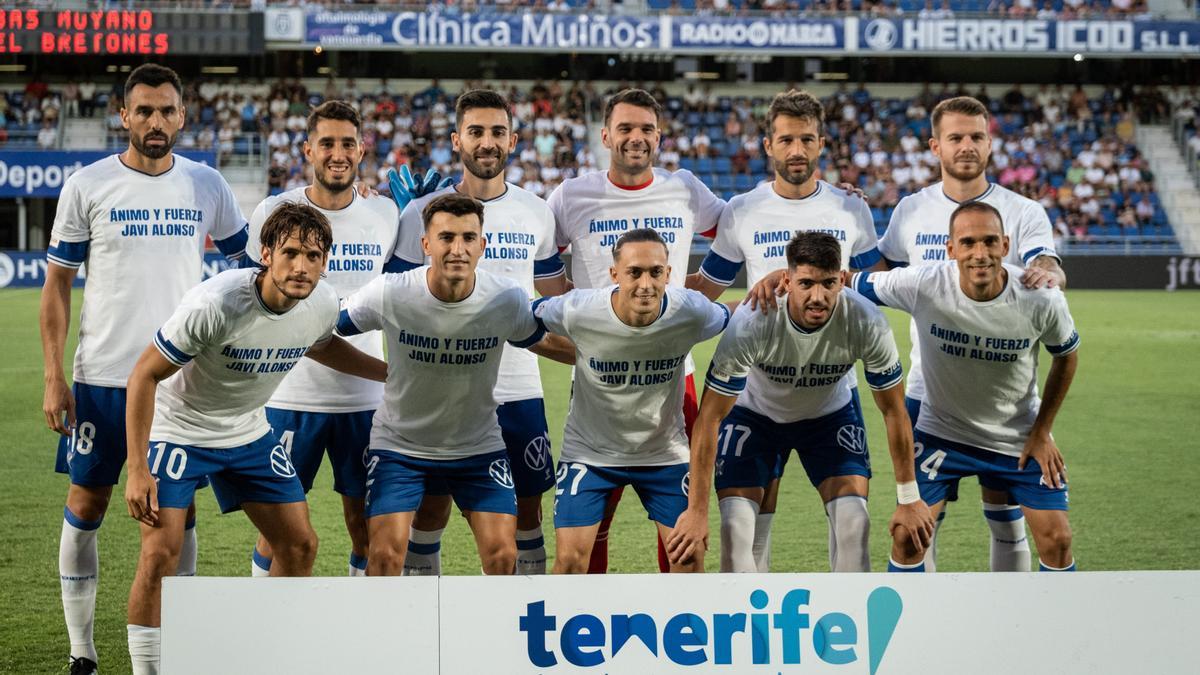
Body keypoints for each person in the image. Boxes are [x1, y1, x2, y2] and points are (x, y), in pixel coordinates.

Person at [39, 63, 249, 675]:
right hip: (102, 377)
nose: (156, 122)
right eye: (144, 111)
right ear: (124, 116)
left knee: (176, 514)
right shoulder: (88, 184)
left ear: (183, 116)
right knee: (88, 501)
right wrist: (54, 374)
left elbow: (245, 269)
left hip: (180, 380)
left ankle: (168, 648)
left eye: (167, 111)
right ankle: (82, 651)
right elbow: (56, 285)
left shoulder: (207, 185)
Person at [123, 203, 387, 675]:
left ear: (326, 260)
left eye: (313, 255)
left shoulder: (322, 303)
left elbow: (321, 344)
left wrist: (391, 375)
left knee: (300, 544)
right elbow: (143, 376)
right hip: (180, 431)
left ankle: (266, 656)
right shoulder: (216, 304)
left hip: (249, 430)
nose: (301, 266)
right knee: (161, 552)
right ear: (265, 254)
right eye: (290, 253)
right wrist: (138, 467)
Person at [691, 89, 885, 572]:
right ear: (768, 145)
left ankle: (848, 637)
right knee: (748, 535)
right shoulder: (742, 209)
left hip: (830, 390)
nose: (796, 151)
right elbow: (707, 291)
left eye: (806, 140)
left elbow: (874, 285)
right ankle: (754, 639)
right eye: (785, 140)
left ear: (821, 143)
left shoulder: (850, 209)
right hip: (758, 391)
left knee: (852, 527)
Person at [878, 95, 1067, 572]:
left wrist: (1048, 268)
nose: (967, 146)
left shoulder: (1021, 211)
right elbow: (881, 272)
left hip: (1007, 398)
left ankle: (1011, 626)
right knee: (921, 524)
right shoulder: (911, 210)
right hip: (930, 390)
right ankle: (925, 625)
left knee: (1006, 519)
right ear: (935, 146)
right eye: (956, 137)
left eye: (976, 137)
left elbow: (1045, 262)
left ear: (990, 143)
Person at [337, 194, 571, 577]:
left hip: (477, 448)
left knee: (502, 556)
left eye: (468, 238)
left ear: (483, 244)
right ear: (425, 244)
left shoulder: (505, 299)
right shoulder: (391, 292)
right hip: (400, 447)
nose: (457, 249)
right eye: (446, 238)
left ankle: (491, 635)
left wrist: (605, 356)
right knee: (384, 556)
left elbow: (544, 342)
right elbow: (331, 326)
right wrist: (382, 371)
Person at [389, 89, 569, 576]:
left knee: (527, 514)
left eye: (496, 132)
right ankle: (428, 627)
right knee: (430, 511)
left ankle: (524, 628)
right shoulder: (419, 214)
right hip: (441, 391)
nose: (486, 142)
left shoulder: (537, 211)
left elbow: (556, 300)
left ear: (513, 140)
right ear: (456, 140)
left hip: (519, 388)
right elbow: (395, 298)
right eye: (475, 132)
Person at [678, 232, 933, 573]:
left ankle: (849, 620)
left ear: (842, 280)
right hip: (756, 416)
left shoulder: (866, 320)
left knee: (855, 524)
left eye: (828, 283)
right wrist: (697, 512)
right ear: (787, 280)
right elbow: (709, 418)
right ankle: (749, 625)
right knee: (737, 530)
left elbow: (893, 409)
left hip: (828, 418)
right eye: (806, 283)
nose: (818, 296)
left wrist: (908, 497)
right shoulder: (754, 321)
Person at [548, 88, 724, 573]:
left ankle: (678, 626)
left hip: (674, 375)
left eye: (646, 128)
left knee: (682, 531)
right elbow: (542, 265)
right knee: (590, 527)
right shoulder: (571, 195)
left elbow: (737, 230)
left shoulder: (685, 188)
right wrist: (588, 320)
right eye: (625, 128)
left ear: (659, 136)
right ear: (605, 135)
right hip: (598, 377)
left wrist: (697, 291)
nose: (636, 137)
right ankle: (585, 628)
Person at [853, 201, 1080, 573]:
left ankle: (1046, 628)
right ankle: (910, 627)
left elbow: (1067, 355)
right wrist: (782, 278)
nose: (980, 254)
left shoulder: (1041, 298)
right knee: (908, 536)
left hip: (1017, 437)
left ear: (1006, 246)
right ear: (951, 248)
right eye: (969, 242)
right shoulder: (923, 283)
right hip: (943, 432)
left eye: (990, 242)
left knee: (1058, 540)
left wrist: (1042, 431)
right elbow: (847, 283)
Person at [244, 101, 400, 578]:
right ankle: (270, 633)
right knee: (277, 531)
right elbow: (257, 299)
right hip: (291, 395)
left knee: (366, 528)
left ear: (362, 150)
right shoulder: (274, 211)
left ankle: (356, 632)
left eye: (348, 143)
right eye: (327, 143)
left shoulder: (386, 212)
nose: (338, 153)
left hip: (366, 403)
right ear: (307, 148)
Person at [533, 228, 731, 573]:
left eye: (655, 272)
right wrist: (581, 354)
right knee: (569, 564)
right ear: (614, 275)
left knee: (689, 559)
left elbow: (736, 313)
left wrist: (772, 287)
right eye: (634, 272)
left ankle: (682, 628)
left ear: (668, 274)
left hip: (663, 454)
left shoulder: (691, 312)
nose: (645, 284)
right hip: (590, 455)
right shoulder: (580, 309)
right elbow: (521, 320)